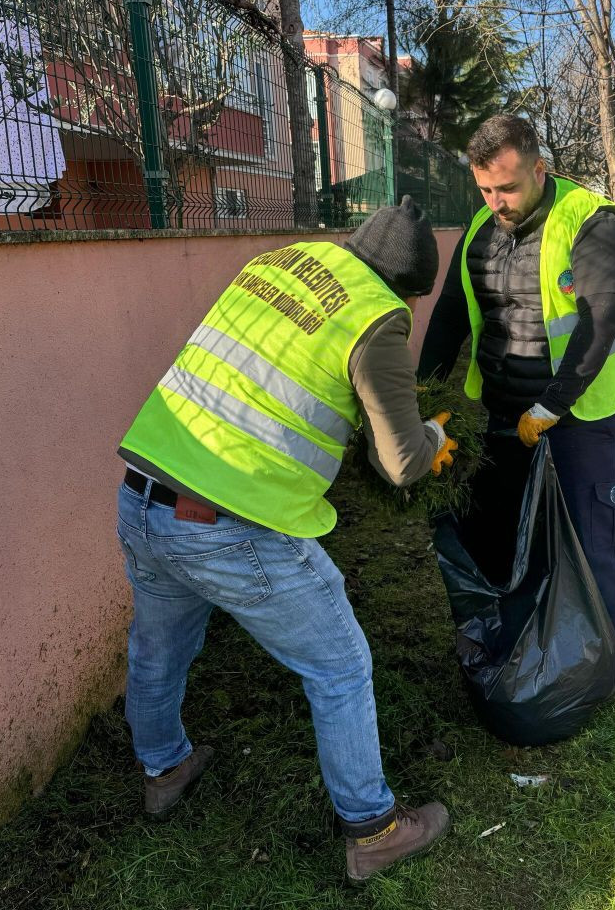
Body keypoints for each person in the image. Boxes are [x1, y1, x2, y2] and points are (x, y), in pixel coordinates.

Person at [114, 196, 456, 881]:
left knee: (158, 647)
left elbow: (279, 378)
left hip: (141, 496)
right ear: (412, 294)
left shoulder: (277, 261)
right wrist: (438, 438)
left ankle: (165, 768)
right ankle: (374, 828)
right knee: (340, 667)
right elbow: (400, 464)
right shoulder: (378, 317)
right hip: (230, 526)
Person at [418, 115, 615, 686]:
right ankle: (531, 638)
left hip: (581, 416)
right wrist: (425, 396)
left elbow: (598, 321)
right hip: (504, 414)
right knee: (509, 531)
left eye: (508, 188)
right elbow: (448, 318)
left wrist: (553, 405)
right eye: (486, 189)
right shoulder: (479, 231)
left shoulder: (589, 221)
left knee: (595, 535)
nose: (497, 202)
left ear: (539, 169)